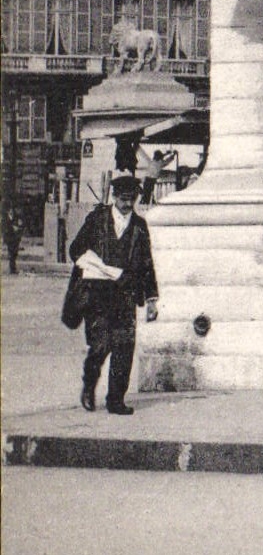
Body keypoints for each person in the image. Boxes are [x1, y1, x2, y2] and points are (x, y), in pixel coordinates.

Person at [68, 174, 159, 415]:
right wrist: (93, 264)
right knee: (101, 344)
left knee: (124, 346)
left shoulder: (140, 226)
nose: (128, 205)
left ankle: (115, 399)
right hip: (98, 294)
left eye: (132, 200)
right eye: (124, 199)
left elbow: (147, 263)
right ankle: (89, 386)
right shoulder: (97, 219)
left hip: (127, 294)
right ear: (114, 197)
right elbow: (75, 249)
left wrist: (151, 299)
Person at [2, 196, 24, 274]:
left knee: (14, 253)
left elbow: (21, 225)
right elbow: (4, 228)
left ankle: (12, 267)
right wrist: (11, 228)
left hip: (15, 237)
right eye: (9, 211)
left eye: (12, 211)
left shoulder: (17, 217)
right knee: (11, 252)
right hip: (9, 237)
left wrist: (18, 229)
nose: (11, 212)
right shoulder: (5, 219)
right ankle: (12, 268)